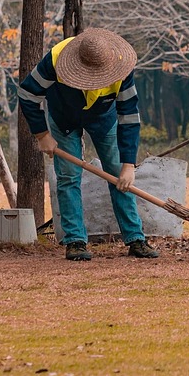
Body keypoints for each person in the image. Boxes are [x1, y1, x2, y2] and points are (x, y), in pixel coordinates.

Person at [17, 28, 157, 261]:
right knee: (69, 177)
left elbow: (129, 116)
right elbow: (27, 94)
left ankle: (135, 238)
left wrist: (129, 164)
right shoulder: (55, 60)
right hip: (64, 119)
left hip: (104, 118)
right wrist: (42, 134)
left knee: (118, 175)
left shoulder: (121, 66)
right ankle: (75, 241)